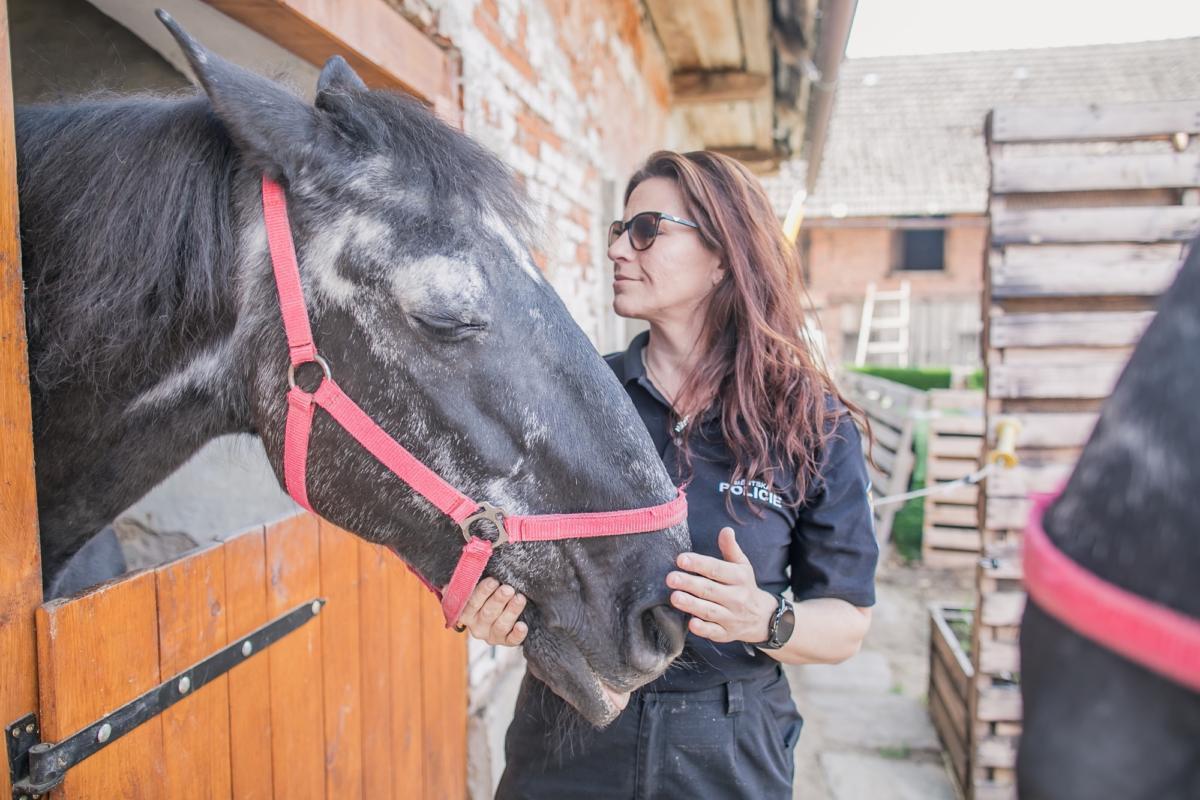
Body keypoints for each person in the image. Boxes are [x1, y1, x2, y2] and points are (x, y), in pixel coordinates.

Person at [460, 150, 878, 799]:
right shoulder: (570, 398)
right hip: (569, 732)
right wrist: (494, 610)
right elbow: (498, 547)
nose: (619, 250)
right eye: (618, 231)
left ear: (721, 254)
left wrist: (761, 617)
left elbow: (846, 621)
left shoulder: (809, 424)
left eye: (646, 229)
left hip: (728, 742)